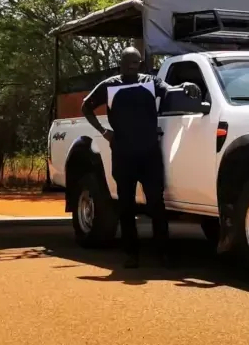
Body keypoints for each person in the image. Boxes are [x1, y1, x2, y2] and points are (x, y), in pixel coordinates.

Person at [81, 46, 201, 269]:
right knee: (126, 207)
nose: (130, 67)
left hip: (149, 154)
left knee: (156, 203)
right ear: (120, 64)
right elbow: (86, 106)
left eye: (134, 63)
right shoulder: (109, 85)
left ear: (140, 64)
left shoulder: (151, 82)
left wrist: (184, 86)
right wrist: (104, 132)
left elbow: (169, 90)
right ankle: (131, 254)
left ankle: (163, 253)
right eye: (126, 63)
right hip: (123, 154)